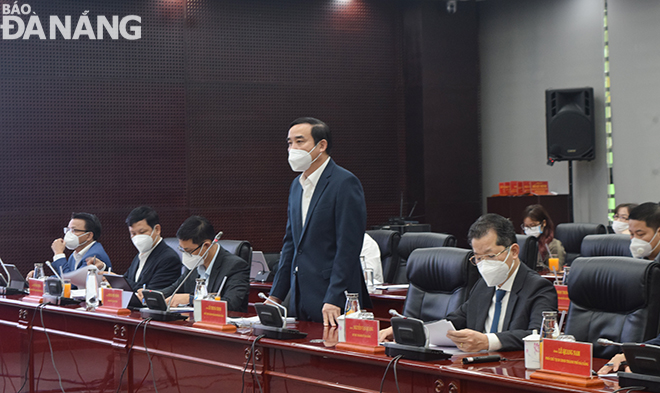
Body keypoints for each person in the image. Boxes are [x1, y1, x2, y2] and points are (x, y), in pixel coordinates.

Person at [379, 213, 558, 352]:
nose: (484, 264)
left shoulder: (538, 288)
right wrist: (411, 331)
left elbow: (539, 336)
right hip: (478, 366)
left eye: (490, 256)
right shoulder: (483, 285)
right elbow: (455, 321)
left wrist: (487, 341)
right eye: (478, 258)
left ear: (514, 251)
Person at [269, 117, 370, 326]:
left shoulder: (344, 182)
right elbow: (291, 244)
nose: (292, 148)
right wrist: (276, 296)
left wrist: (335, 296)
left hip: (333, 298)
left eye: (299, 141)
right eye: (289, 143)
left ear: (321, 145)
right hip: (301, 296)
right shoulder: (297, 185)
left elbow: (348, 248)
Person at [157, 216, 250, 312]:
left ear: (206, 246)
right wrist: (152, 295)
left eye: (188, 251)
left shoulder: (236, 266)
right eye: (181, 249)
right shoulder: (196, 262)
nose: (185, 255)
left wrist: (191, 299)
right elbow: (175, 288)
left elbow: (230, 305)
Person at [118, 206, 181, 291]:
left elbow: (151, 292)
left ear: (157, 229)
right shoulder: (140, 254)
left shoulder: (169, 258)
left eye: (142, 232)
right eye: (133, 233)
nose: (137, 238)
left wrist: (119, 282)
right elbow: (127, 279)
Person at [521, 204, 566, 270]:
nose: (529, 229)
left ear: (544, 223)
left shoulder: (554, 245)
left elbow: (555, 271)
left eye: (532, 225)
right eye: (526, 226)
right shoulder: (523, 244)